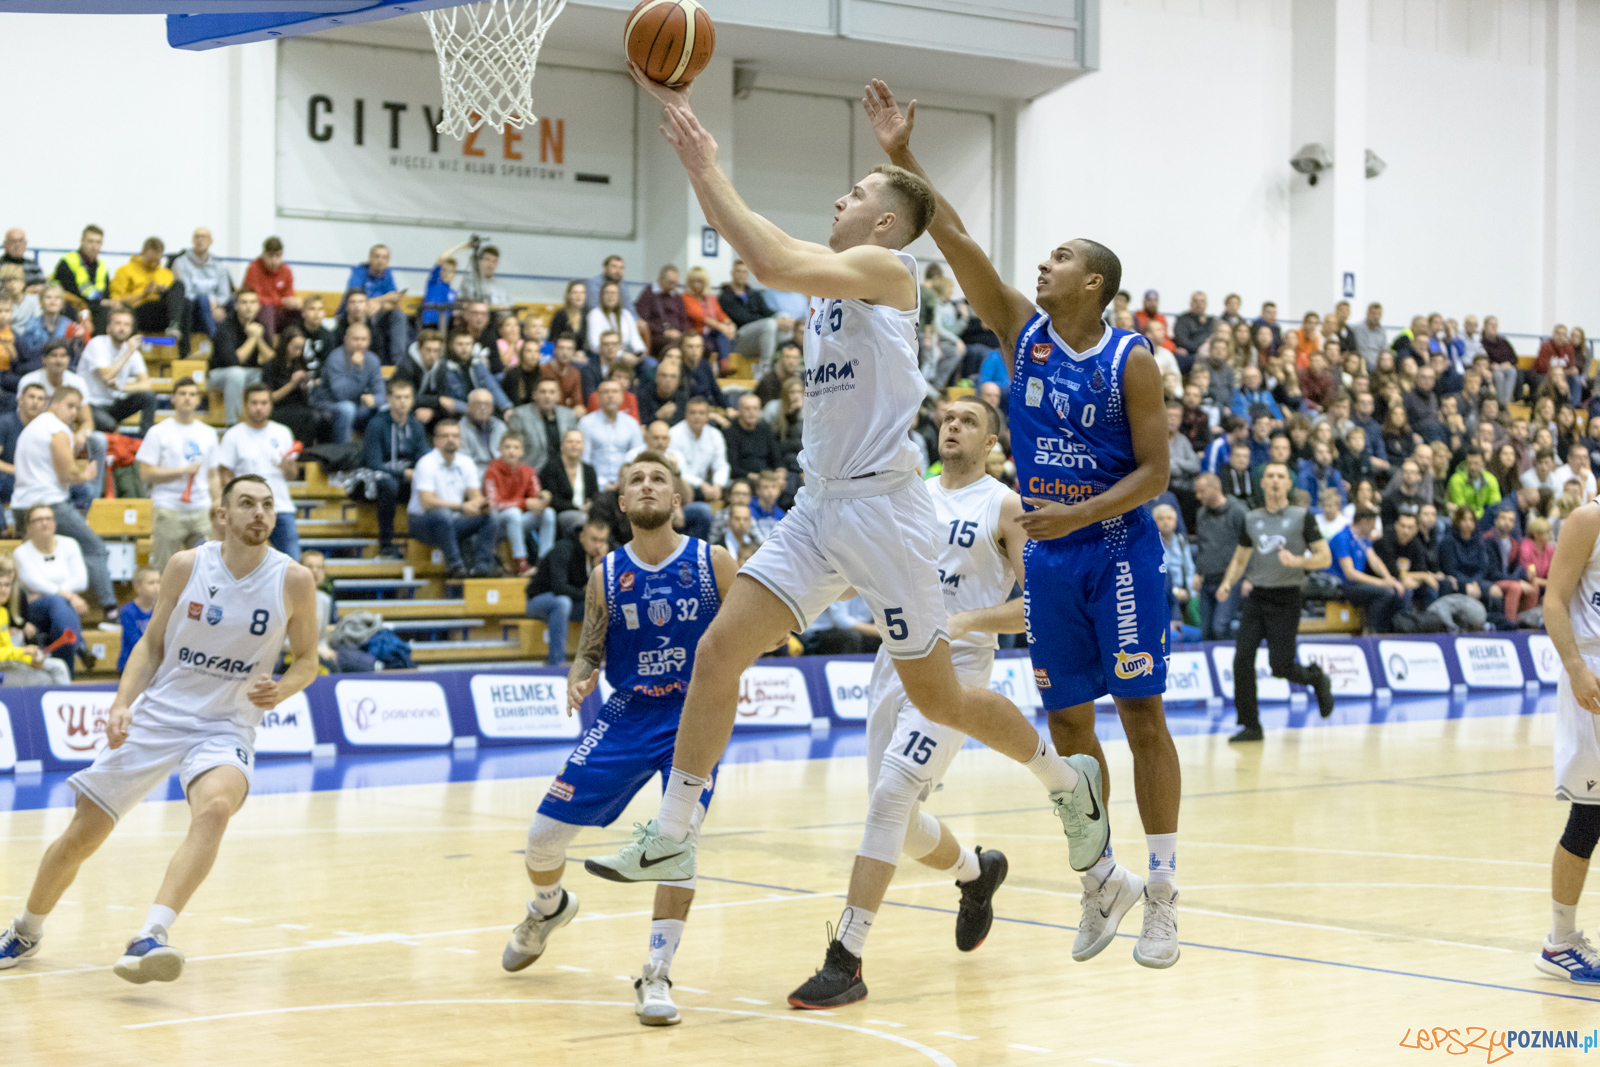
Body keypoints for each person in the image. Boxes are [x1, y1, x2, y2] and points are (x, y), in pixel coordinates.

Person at [588, 77, 1098, 976]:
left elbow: (774, 261)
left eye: (858, 193)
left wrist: (707, 164)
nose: (841, 197)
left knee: (940, 699)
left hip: (888, 512)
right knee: (716, 655)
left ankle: (1065, 779)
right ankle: (671, 832)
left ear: (888, 226)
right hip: (818, 504)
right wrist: (703, 174)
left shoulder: (889, 272)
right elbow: (775, 256)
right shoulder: (832, 277)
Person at [0, 475, 316, 981]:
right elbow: (150, 646)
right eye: (247, 504)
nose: (259, 513)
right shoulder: (187, 566)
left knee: (215, 807)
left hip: (226, 725)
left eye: (267, 505)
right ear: (222, 516)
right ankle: (25, 930)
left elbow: (307, 661)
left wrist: (282, 687)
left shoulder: (294, 579)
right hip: (160, 714)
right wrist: (123, 703)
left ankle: (151, 935)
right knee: (84, 832)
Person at [790, 398, 1032, 1006]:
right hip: (895, 661)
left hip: (958, 671)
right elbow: (862, 573)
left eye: (968, 420)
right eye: (947, 417)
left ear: (992, 442)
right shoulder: (912, 495)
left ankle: (846, 959)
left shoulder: (1004, 505)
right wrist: (794, 595)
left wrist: (971, 618)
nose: (952, 425)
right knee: (894, 823)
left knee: (894, 793)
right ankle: (976, 876)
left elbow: (1036, 605)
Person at [507, 455, 735, 1027]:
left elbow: (755, 630)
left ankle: (655, 974)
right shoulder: (607, 573)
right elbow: (591, 646)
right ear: (624, 504)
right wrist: (579, 674)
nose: (649, 485)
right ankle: (548, 908)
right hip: (628, 713)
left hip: (693, 717)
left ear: (677, 500)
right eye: (638, 480)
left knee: (676, 841)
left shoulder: (715, 562)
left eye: (660, 479)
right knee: (541, 839)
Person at [1527, 500, 1600, 981]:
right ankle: (1559, 942)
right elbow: (1553, 601)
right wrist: (1575, 667)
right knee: (1590, 812)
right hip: (1592, 672)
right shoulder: (1589, 519)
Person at [1214, 462, 1336, 742]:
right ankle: (1251, 725)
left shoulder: (1301, 516)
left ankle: (1316, 678)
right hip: (1258, 596)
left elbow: (1324, 557)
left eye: (1281, 476)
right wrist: (1227, 583)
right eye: (1270, 476)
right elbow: (1241, 557)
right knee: (1242, 659)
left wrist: (1299, 561)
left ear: (1289, 484)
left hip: (1288, 596)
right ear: (1263, 483)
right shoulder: (1251, 518)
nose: (1275, 481)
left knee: (1280, 666)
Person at [11, 388, 115, 609]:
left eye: (77, 408)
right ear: (54, 403)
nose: (74, 412)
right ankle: (109, 608)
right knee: (95, 548)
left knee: (37, 563)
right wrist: (86, 474)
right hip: (48, 505)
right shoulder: (57, 429)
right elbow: (68, 474)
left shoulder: (33, 427)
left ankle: (36, 612)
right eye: (70, 405)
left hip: (21, 507)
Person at [136, 380, 220, 570]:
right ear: (173, 398)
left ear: (198, 400)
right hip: (168, 507)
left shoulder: (209, 433)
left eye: (192, 394)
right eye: (182, 393)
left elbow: (213, 474)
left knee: (207, 568)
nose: (187, 398)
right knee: (166, 569)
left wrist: (217, 502)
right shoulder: (158, 432)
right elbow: (146, 472)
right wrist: (181, 471)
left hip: (201, 508)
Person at [216, 385, 302, 562]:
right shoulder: (233, 435)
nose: (259, 407)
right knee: (249, 561)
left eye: (264, 403)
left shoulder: (283, 432)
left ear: (270, 405)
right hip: (247, 508)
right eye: (254, 403)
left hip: (281, 507)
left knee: (291, 562)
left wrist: (287, 466)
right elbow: (225, 477)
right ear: (246, 405)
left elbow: (292, 475)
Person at [408, 419, 495, 579]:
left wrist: (482, 504)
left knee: (488, 518)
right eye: (445, 436)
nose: (451, 439)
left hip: (452, 522)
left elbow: (475, 496)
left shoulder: (466, 462)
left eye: (455, 435)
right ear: (436, 441)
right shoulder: (426, 463)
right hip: (422, 522)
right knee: (442, 516)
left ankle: (482, 567)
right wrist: (462, 507)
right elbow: (427, 503)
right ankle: (456, 567)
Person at [355, 379, 427, 560]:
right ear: (389, 399)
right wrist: (403, 473)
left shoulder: (416, 426)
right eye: (398, 397)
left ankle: (422, 544)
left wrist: (416, 473)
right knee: (388, 485)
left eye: (407, 397)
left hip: (407, 477)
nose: (403, 402)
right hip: (377, 479)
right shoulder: (377, 424)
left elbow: (423, 458)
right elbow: (373, 463)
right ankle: (385, 545)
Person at [75, 306, 157, 434]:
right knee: (109, 424)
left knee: (149, 396)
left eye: (126, 324)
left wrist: (122, 387)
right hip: (90, 404)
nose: (122, 328)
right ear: (108, 328)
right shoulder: (97, 344)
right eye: (118, 323)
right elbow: (107, 375)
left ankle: (144, 440)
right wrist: (127, 352)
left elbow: (146, 384)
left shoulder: (132, 352)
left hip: (113, 404)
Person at [1327, 507, 1404, 634]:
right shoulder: (1342, 538)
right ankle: (1370, 632)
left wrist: (1389, 579)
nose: (1373, 529)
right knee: (1384, 593)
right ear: (1364, 522)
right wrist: (1381, 583)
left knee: (1397, 591)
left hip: (1356, 583)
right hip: (1342, 584)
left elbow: (1375, 560)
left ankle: (1391, 631)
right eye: (1372, 525)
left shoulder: (1362, 539)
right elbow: (1350, 573)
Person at [485, 433, 553, 573]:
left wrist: (543, 500)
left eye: (516, 447)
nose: (511, 451)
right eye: (507, 447)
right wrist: (524, 503)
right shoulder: (491, 471)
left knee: (549, 513)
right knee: (513, 513)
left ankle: (544, 562)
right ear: (500, 450)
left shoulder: (528, 471)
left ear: (522, 451)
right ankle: (521, 563)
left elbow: (536, 497)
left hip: (520, 521)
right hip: (498, 522)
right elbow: (494, 505)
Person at [0, 558, 71, 687]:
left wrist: (31, 658)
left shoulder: (3, 613)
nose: (3, 590)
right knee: (49, 678)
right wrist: (23, 652)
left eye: (6, 585)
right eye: (0, 585)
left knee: (59, 666)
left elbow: (7, 650)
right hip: (3, 671)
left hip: (7, 665)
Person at [320, 320, 386, 445]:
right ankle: (345, 454)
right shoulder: (335, 358)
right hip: (330, 404)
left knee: (384, 408)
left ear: (369, 341)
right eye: (355, 339)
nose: (360, 343)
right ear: (346, 339)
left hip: (360, 406)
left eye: (364, 339)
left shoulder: (373, 360)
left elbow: (381, 394)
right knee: (348, 408)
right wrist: (357, 369)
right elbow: (341, 395)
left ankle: (376, 452)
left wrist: (375, 400)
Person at [210, 289, 269, 428]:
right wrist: (253, 338)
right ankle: (233, 424)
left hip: (250, 374)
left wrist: (259, 338)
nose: (249, 306)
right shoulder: (225, 327)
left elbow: (270, 359)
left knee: (267, 375)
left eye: (253, 302)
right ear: (236, 305)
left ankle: (262, 421)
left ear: (258, 306)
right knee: (236, 373)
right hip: (220, 375)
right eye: (244, 302)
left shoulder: (261, 326)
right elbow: (233, 361)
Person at [110, 238, 186, 342]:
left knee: (181, 290)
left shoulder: (166, 274)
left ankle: (177, 336)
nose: (153, 264)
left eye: (157, 261)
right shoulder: (125, 271)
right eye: (150, 260)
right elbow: (117, 302)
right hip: (138, 311)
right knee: (154, 305)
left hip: (162, 314)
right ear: (142, 253)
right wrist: (143, 294)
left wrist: (164, 292)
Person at [343, 244, 408, 362]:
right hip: (360, 313)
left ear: (388, 261)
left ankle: (399, 362)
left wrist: (378, 304)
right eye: (377, 256)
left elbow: (393, 302)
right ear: (370, 258)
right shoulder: (359, 271)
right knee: (367, 308)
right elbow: (354, 297)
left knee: (399, 315)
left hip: (380, 313)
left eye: (384, 257)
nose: (380, 260)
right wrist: (383, 299)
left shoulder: (387, 274)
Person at [172, 227, 234, 350]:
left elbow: (224, 293)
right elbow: (186, 292)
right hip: (192, 310)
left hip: (215, 308)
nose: (200, 240)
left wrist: (216, 305)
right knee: (202, 298)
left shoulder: (219, 266)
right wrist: (210, 302)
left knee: (237, 303)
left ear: (211, 241)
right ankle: (215, 338)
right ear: (192, 240)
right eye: (197, 236)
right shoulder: (181, 262)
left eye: (204, 237)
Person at [578, 380, 643, 490]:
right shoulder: (586, 423)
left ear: (622, 397)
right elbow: (584, 459)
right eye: (606, 392)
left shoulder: (632, 424)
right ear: (598, 398)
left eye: (615, 391)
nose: (610, 395)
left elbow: (637, 457)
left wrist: (624, 482)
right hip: (595, 486)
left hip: (625, 487)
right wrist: (600, 484)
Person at [262, 327, 321, 446]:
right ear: (285, 345)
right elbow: (269, 398)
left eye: (301, 349)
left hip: (297, 405)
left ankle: (307, 451)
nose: (298, 352)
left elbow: (303, 393)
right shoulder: (271, 365)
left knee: (319, 415)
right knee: (308, 416)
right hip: (278, 408)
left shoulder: (300, 363)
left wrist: (307, 384)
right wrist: (291, 384)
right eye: (295, 348)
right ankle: (301, 451)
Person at [719, 259, 779, 374]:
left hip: (758, 336)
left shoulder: (753, 294)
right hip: (739, 338)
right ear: (732, 273)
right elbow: (742, 318)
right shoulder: (726, 297)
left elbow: (767, 312)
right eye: (738, 271)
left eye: (745, 272)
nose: (742, 275)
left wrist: (781, 319)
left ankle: (779, 368)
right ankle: (765, 369)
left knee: (780, 325)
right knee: (770, 324)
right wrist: (769, 320)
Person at [509, 378, 579, 476]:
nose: (547, 396)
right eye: (543, 392)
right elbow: (512, 449)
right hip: (533, 472)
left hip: (563, 473)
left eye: (551, 392)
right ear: (535, 395)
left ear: (558, 396)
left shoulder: (568, 415)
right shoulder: (520, 415)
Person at [53, 225, 111, 333]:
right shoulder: (68, 261)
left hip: (97, 309)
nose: (94, 246)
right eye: (90, 241)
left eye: (98, 242)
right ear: (82, 241)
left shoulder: (102, 266)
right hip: (72, 307)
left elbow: (106, 295)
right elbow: (68, 292)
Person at [241, 236, 300, 338]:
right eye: (271, 256)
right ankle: (269, 348)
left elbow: (289, 295)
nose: (274, 260)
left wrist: (294, 302)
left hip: (279, 312)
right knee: (267, 309)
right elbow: (256, 298)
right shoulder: (253, 269)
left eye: (278, 256)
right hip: (260, 312)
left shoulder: (287, 271)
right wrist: (281, 301)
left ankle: (295, 347)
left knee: (300, 312)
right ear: (264, 254)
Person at [634, 264, 690, 356]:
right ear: (660, 278)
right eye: (670, 282)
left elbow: (683, 319)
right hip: (657, 336)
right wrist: (664, 332)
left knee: (696, 344)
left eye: (675, 283)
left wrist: (681, 333)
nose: (673, 286)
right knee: (673, 344)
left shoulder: (677, 296)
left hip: (678, 334)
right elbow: (644, 319)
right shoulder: (648, 294)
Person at [116, 566, 162, 673]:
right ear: (137, 586)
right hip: (130, 666)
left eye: (158, 582)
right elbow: (134, 640)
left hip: (153, 665)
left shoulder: (161, 609)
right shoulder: (128, 611)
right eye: (151, 583)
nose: (156, 587)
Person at [458, 388, 508, 469]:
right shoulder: (460, 429)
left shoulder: (500, 427)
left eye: (487, 404)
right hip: (475, 474)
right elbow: (463, 461)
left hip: (499, 474)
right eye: (478, 404)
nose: (483, 407)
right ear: (468, 407)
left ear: (492, 408)